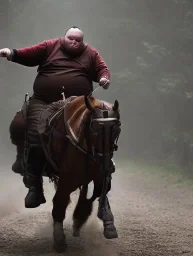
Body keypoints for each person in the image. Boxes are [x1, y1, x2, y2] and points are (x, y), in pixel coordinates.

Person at [0, 26, 110, 208]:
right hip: (44, 101)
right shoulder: (49, 46)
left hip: (79, 103)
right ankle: (35, 188)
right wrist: (9, 53)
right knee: (34, 133)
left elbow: (101, 69)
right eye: (70, 38)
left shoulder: (91, 53)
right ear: (64, 37)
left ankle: (104, 165)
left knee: (100, 127)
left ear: (83, 41)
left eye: (78, 40)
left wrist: (104, 78)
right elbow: (28, 54)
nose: (74, 42)